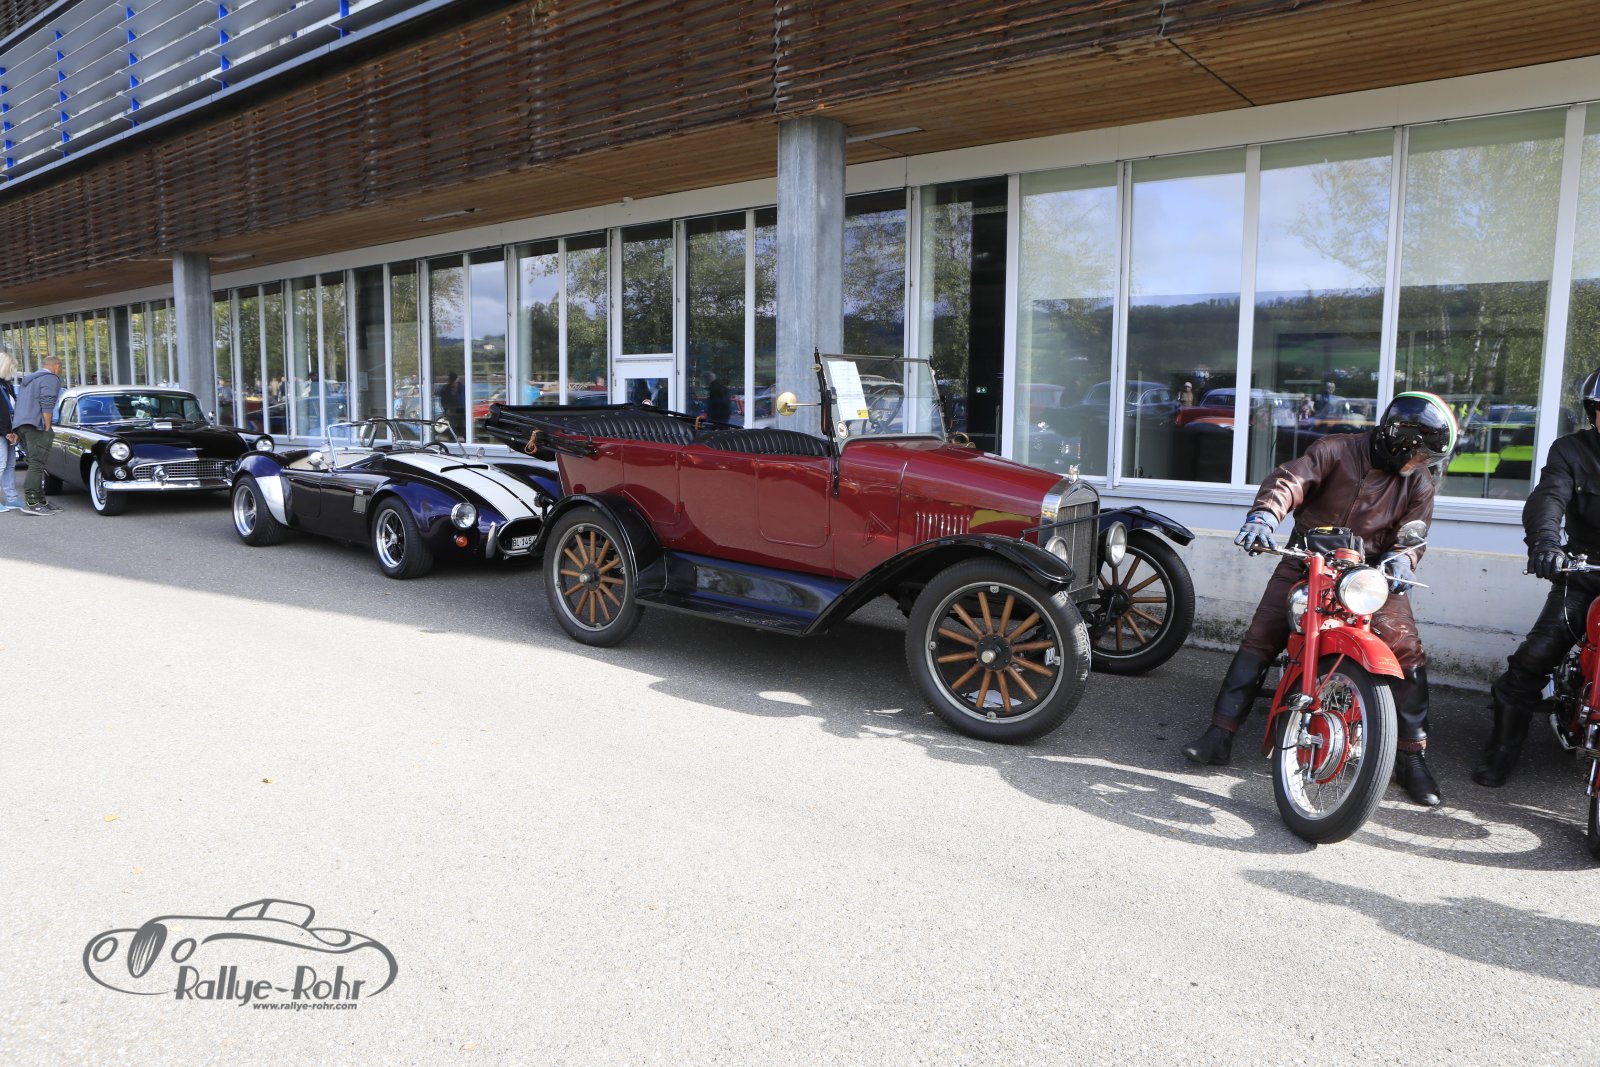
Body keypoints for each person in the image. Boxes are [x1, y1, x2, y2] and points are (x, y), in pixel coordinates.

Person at [1181, 391, 1458, 806]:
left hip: (1370, 572)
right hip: (1306, 558)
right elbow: (1290, 481)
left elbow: (1413, 534)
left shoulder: (1418, 481)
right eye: (1419, 453)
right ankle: (1221, 732)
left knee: (1406, 648)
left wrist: (1403, 560)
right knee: (1264, 633)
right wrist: (1265, 515)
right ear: (1400, 437)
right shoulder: (1335, 450)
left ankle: (1410, 757)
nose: (1421, 463)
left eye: (1428, 458)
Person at [1475, 370, 1600, 787]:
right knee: (1536, 656)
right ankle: (1503, 748)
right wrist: (1546, 545)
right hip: (1584, 571)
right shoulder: (1571, 451)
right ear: (1592, 412)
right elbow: (1548, 498)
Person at [12, 354, 63, 516]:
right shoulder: (50, 378)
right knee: (37, 464)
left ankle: (41, 501)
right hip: (36, 426)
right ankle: (32, 502)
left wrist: (16, 429)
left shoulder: (29, 380)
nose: (60, 371)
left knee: (35, 463)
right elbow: (47, 401)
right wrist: (47, 425)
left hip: (22, 425)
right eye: (61, 368)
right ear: (57, 366)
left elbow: (20, 404)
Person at [0, 352, 23, 513]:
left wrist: (14, 431)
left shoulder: (6, 385)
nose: (13, 371)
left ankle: (12, 498)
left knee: (9, 465)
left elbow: (12, 409)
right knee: (1, 465)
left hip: (9, 431)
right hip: (3, 432)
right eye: (11, 368)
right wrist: (6, 432)